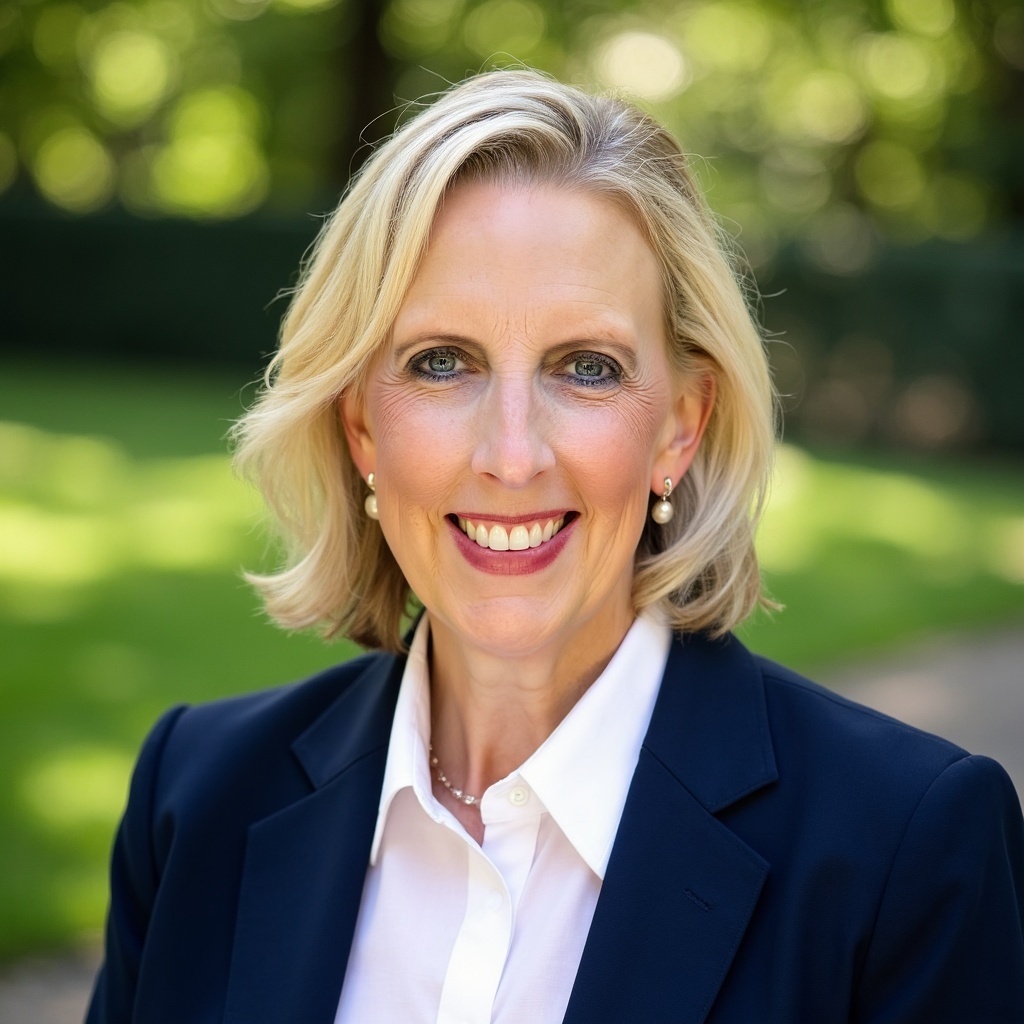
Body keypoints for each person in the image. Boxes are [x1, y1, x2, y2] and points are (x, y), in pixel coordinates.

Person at [86, 69, 1024, 1024]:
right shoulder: (194, 795)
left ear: (681, 427)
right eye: (441, 363)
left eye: (587, 369)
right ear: (361, 425)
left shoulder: (910, 849)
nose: (511, 454)